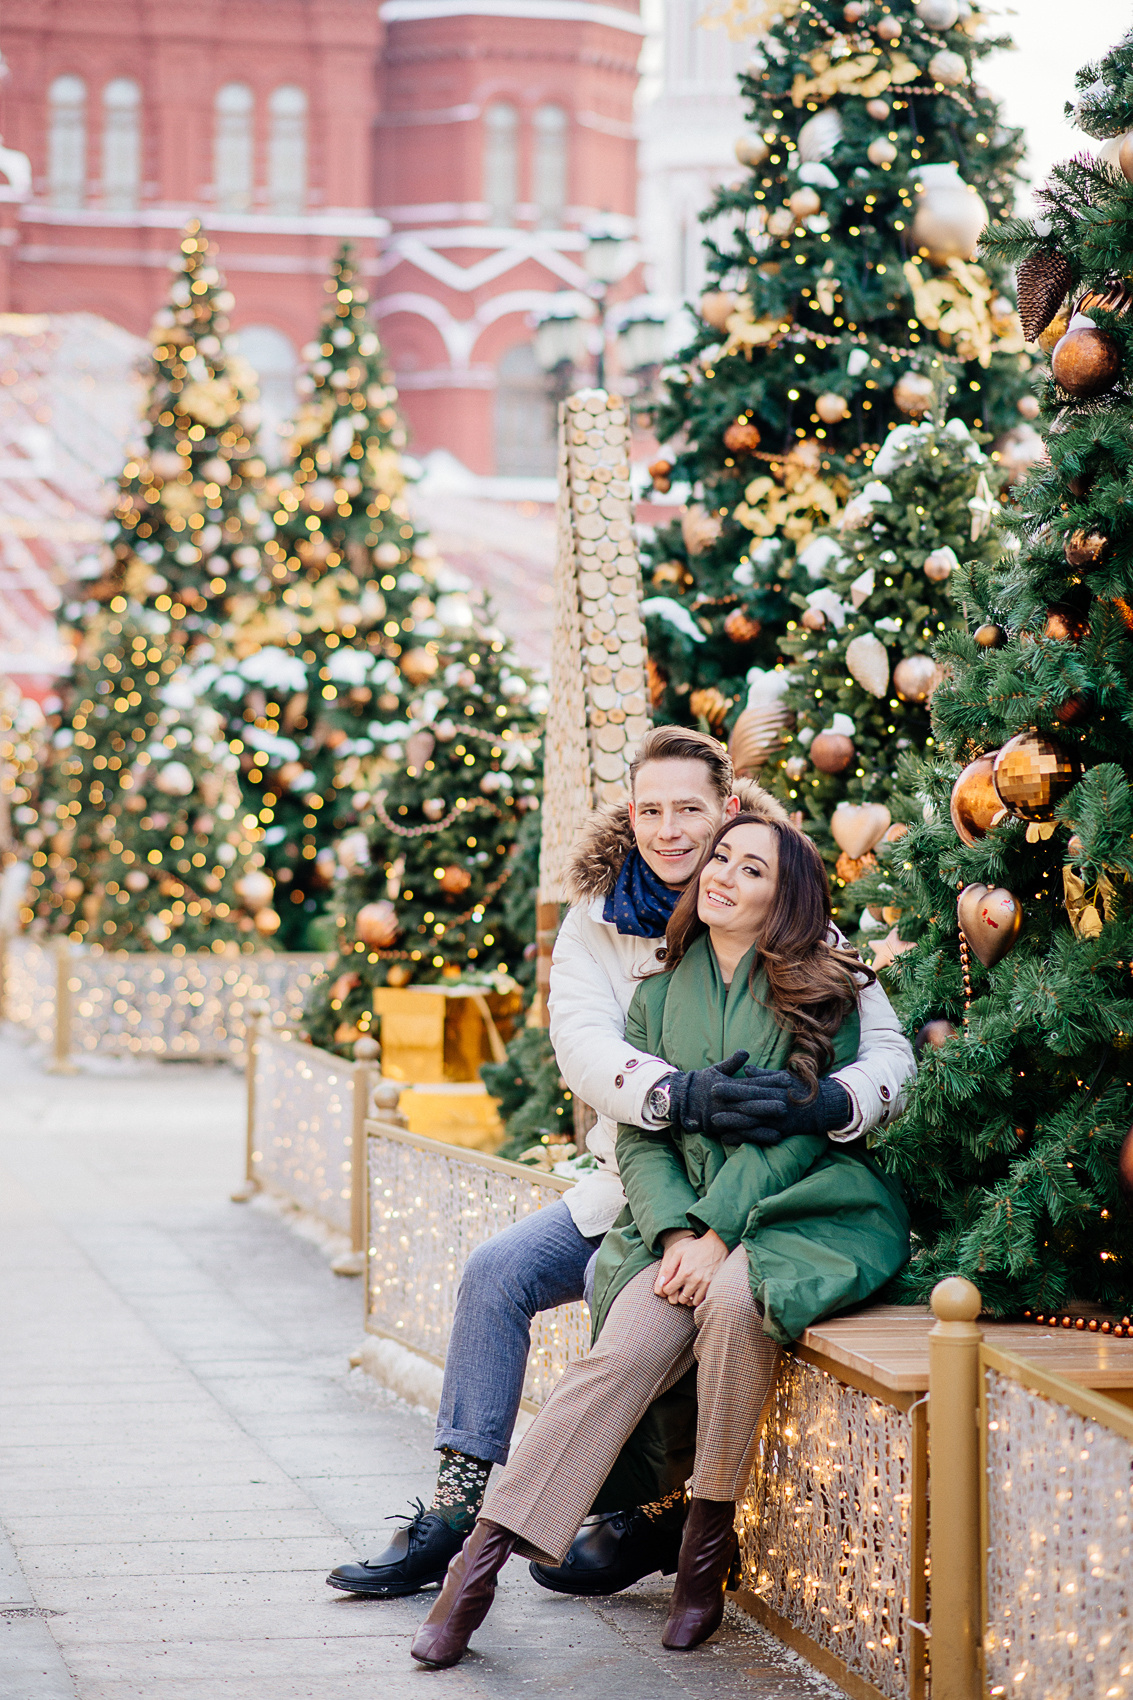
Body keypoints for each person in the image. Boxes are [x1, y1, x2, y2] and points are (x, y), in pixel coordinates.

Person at [327, 728, 914, 1601]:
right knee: (497, 1273)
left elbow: (886, 1046)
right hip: (638, 1181)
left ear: (727, 810)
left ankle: (658, 1510)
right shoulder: (596, 921)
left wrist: (830, 1103)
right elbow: (581, 1046)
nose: (670, 831)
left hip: (759, 1194)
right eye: (650, 811)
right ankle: (454, 1512)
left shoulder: (775, 898)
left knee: (679, 1297)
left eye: (690, 810)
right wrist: (676, 1095)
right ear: (629, 816)